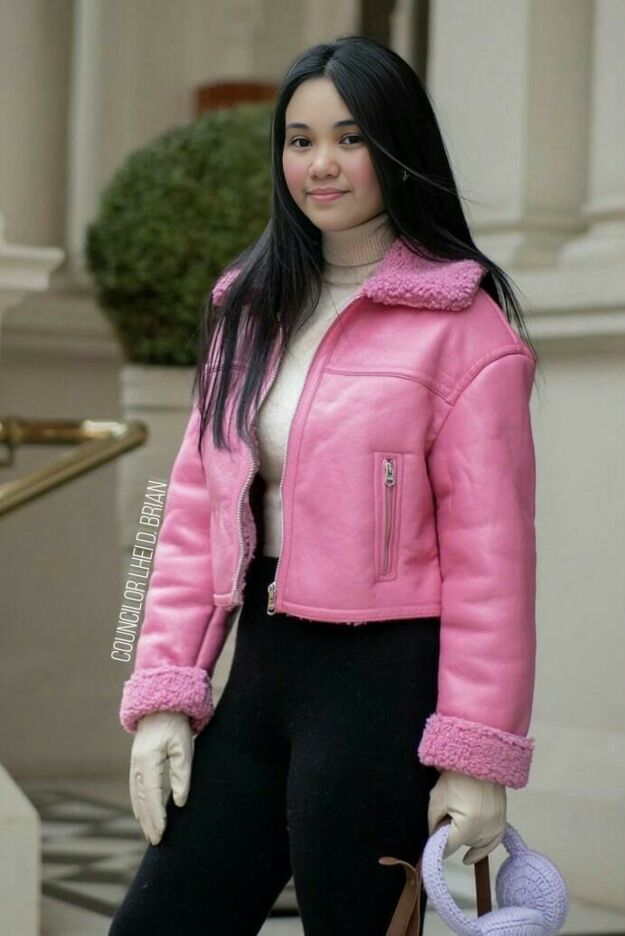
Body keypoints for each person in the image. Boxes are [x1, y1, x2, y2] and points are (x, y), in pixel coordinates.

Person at [109, 34, 538, 936]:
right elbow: (184, 513)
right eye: (300, 141)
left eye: (350, 138)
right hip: (259, 673)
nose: (321, 164)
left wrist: (475, 755)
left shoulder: (465, 330)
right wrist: (163, 694)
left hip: (382, 696)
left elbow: (492, 563)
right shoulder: (248, 309)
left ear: (398, 147)